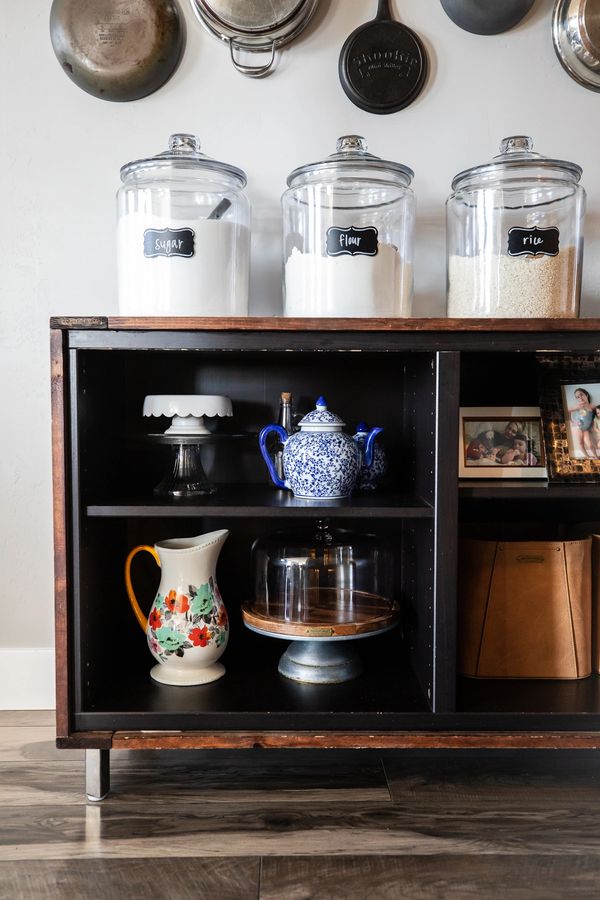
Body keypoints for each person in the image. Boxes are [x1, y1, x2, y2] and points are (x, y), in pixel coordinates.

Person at [568, 387, 596, 459]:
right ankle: (588, 456)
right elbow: (568, 410)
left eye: (581, 395)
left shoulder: (592, 406)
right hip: (577, 426)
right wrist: (570, 420)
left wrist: (592, 424)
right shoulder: (578, 406)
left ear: (586, 395)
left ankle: (596, 456)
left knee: (589, 444)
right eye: (577, 397)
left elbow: (595, 415)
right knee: (580, 443)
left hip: (586, 428)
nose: (580, 398)